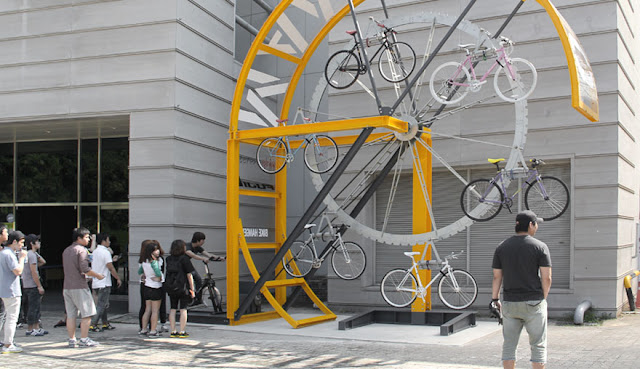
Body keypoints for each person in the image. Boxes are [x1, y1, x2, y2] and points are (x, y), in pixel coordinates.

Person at [491, 210, 552, 369]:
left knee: (509, 345)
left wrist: (495, 299)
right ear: (531, 225)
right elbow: (547, 278)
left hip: (510, 303)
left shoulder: (502, 247)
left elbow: (497, 276)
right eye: (536, 223)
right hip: (534, 302)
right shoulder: (540, 247)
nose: (537, 226)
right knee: (538, 345)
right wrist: (542, 298)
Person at [62, 228, 104, 348]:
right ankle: (84, 339)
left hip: (67, 286)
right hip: (79, 286)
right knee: (87, 314)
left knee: (71, 315)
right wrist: (98, 275)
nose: (88, 239)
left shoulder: (66, 250)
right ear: (79, 238)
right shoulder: (81, 251)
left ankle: (72, 339)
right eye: (86, 237)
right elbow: (85, 269)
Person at [0, 230, 27, 354]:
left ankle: (7, 342)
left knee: (6, 317)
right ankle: (8, 343)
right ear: (14, 241)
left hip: (4, 289)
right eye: (21, 242)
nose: (22, 245)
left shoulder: (2, 253)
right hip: (12, 290)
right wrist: (21, 258)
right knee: (12, 318)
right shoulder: (9, 254)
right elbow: (18, 271)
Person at [89, 233, 122, 332]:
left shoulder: (95, 251)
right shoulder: (105, 252)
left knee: (103, 303)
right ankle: (93, 324)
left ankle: (105, 323)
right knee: (101, 304)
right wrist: (118, 278)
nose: (109, 242)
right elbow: (110, 267)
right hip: (104, 282)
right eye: (108, 240)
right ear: (103, 241)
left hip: (96, 281)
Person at [165, 240, 195, 338]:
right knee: (183, 309)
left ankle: (173, 331)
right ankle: (182, 331)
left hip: (171, 286)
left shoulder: (168, 259)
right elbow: (189, 274)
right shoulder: (185, 259)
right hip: (182, 287)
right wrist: (192, 289)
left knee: (173, 309)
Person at [185, 232, 225, 305]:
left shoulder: (198, 247)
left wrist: (220, 258)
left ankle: (197, 298)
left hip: (188, 264)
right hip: (182, 265)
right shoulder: (187, 246)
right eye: (203, 240)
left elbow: (208, 254)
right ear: (198, 240)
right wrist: (202, 258)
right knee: (189, 282)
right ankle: (189, 298)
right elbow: (192, 255)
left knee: (198, 280)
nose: (203, 242)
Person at [21, 234, 47, 337]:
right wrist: (39, 285)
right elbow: (34, 272)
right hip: (32, 285)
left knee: (35, 307)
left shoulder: (30, 254)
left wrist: (36, 255)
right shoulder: (31, 255)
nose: (39, 243)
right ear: (32, 243)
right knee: (33, 307)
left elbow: (42, 262)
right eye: (37, 241)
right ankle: (30, 329)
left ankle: (36, 327)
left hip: (26, 284)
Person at [138, 242, 164, 337]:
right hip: (156, 287)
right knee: (155, 311)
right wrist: (159, 278)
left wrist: (145, 276)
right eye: (155, 250)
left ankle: (144, 329)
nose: (157, 251)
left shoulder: (144, 262)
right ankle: (153, 330)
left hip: (147, 286)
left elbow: (140, 271)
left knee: (147, 309)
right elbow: (158, 273)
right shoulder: (154, 262)